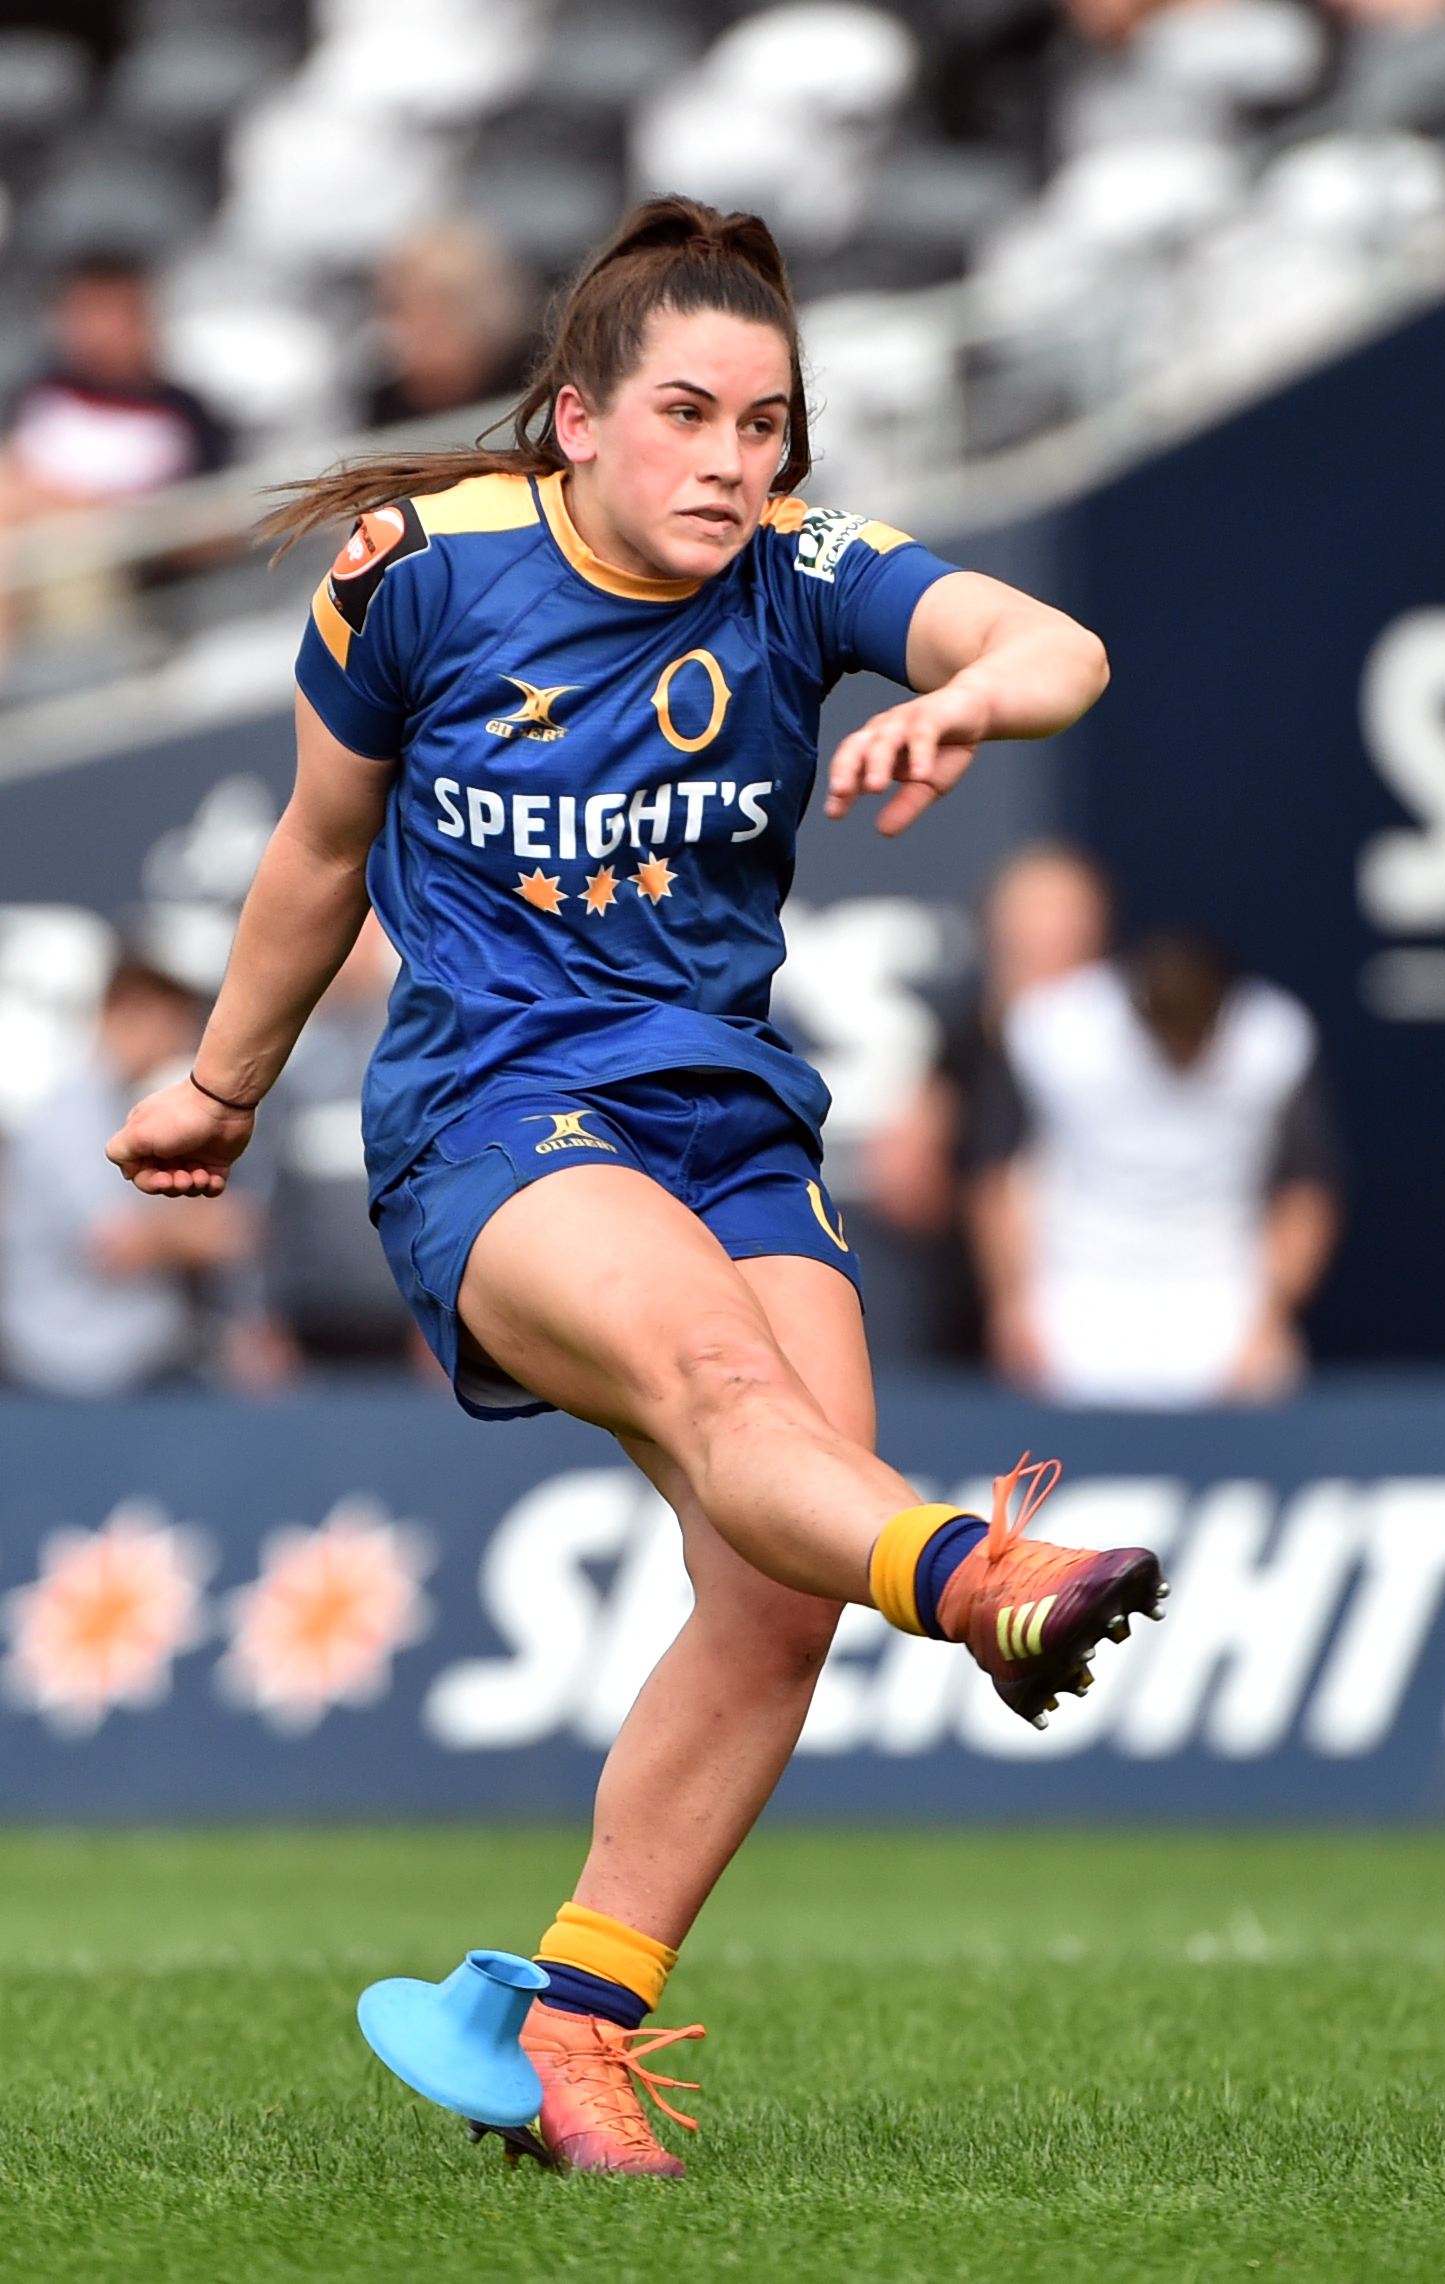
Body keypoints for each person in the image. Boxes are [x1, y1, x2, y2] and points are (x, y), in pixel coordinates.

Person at [106, 198, 1168, 2179]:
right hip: (492, 1119)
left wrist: (963, 698)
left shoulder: (799, 575)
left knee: (773, 1596)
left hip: (729, 1122)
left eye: (769, 424)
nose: (736, 461)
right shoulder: (418, 575)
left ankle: (572, 2024)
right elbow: (314, 851)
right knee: (736, 1403)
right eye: (689, 414)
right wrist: (221, 1083)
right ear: (576, 421)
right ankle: (982, 1578)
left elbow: (1061, 644)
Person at [975, 927, 1342, 1405]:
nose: (1182, 1048)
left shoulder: (1273, 1041)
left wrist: (1269, 1318)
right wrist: (1013, 1303)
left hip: (1225, 1310)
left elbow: (1307, 1194)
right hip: (1074, 1306)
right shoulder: (1053, 1030)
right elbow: (997, 1177)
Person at [854, 839, 1113, 1363]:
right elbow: (906, 1182)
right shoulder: (961, 1044)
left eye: (1060, 915)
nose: (1042, 932)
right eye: (1027, 914)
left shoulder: (1132, 1046)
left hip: (1118, 1304)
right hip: (978, 1326)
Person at [3, 955, 252, 1395]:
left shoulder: (124, 1106)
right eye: (174, 1023)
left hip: (134, 1367)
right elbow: (117, 1246)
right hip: (66, 1372)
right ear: (129, 1016)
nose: (184, 1042)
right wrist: (193, 1232)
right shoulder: (68, 1116)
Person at [233, 912, 431, 1381]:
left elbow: (446, 1178)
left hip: (413, 1323)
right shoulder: (274, 1048)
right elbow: (255, 1196)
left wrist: (450, 1314)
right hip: (304, 1325)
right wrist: (252, 1315)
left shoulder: (424, 1041)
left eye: (365, 922)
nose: (349, 940)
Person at [1, 252, 230, 513]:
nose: (98, 334)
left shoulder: (186, 417)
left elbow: (203, 520)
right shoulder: (41, 394)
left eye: (111, 315)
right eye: (84, 315)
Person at [362, 224, 536, 430]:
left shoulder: (534, 379)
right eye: (390, 309)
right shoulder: (386, 403)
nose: (394, 329)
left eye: (409, 308)